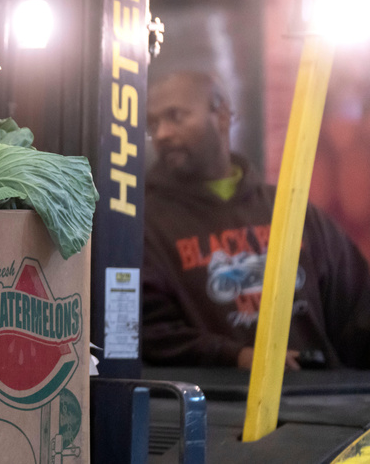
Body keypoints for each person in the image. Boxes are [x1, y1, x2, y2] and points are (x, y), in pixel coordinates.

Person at [142, 71, 370, 369]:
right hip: (212, 410)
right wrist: (235, 357)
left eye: (175, 116)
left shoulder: (291, 210)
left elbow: (358, 310)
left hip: (317, 405)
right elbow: (145, 330)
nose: (162, 134)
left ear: (221, 115)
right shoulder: (144, 224)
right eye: (153, 124)